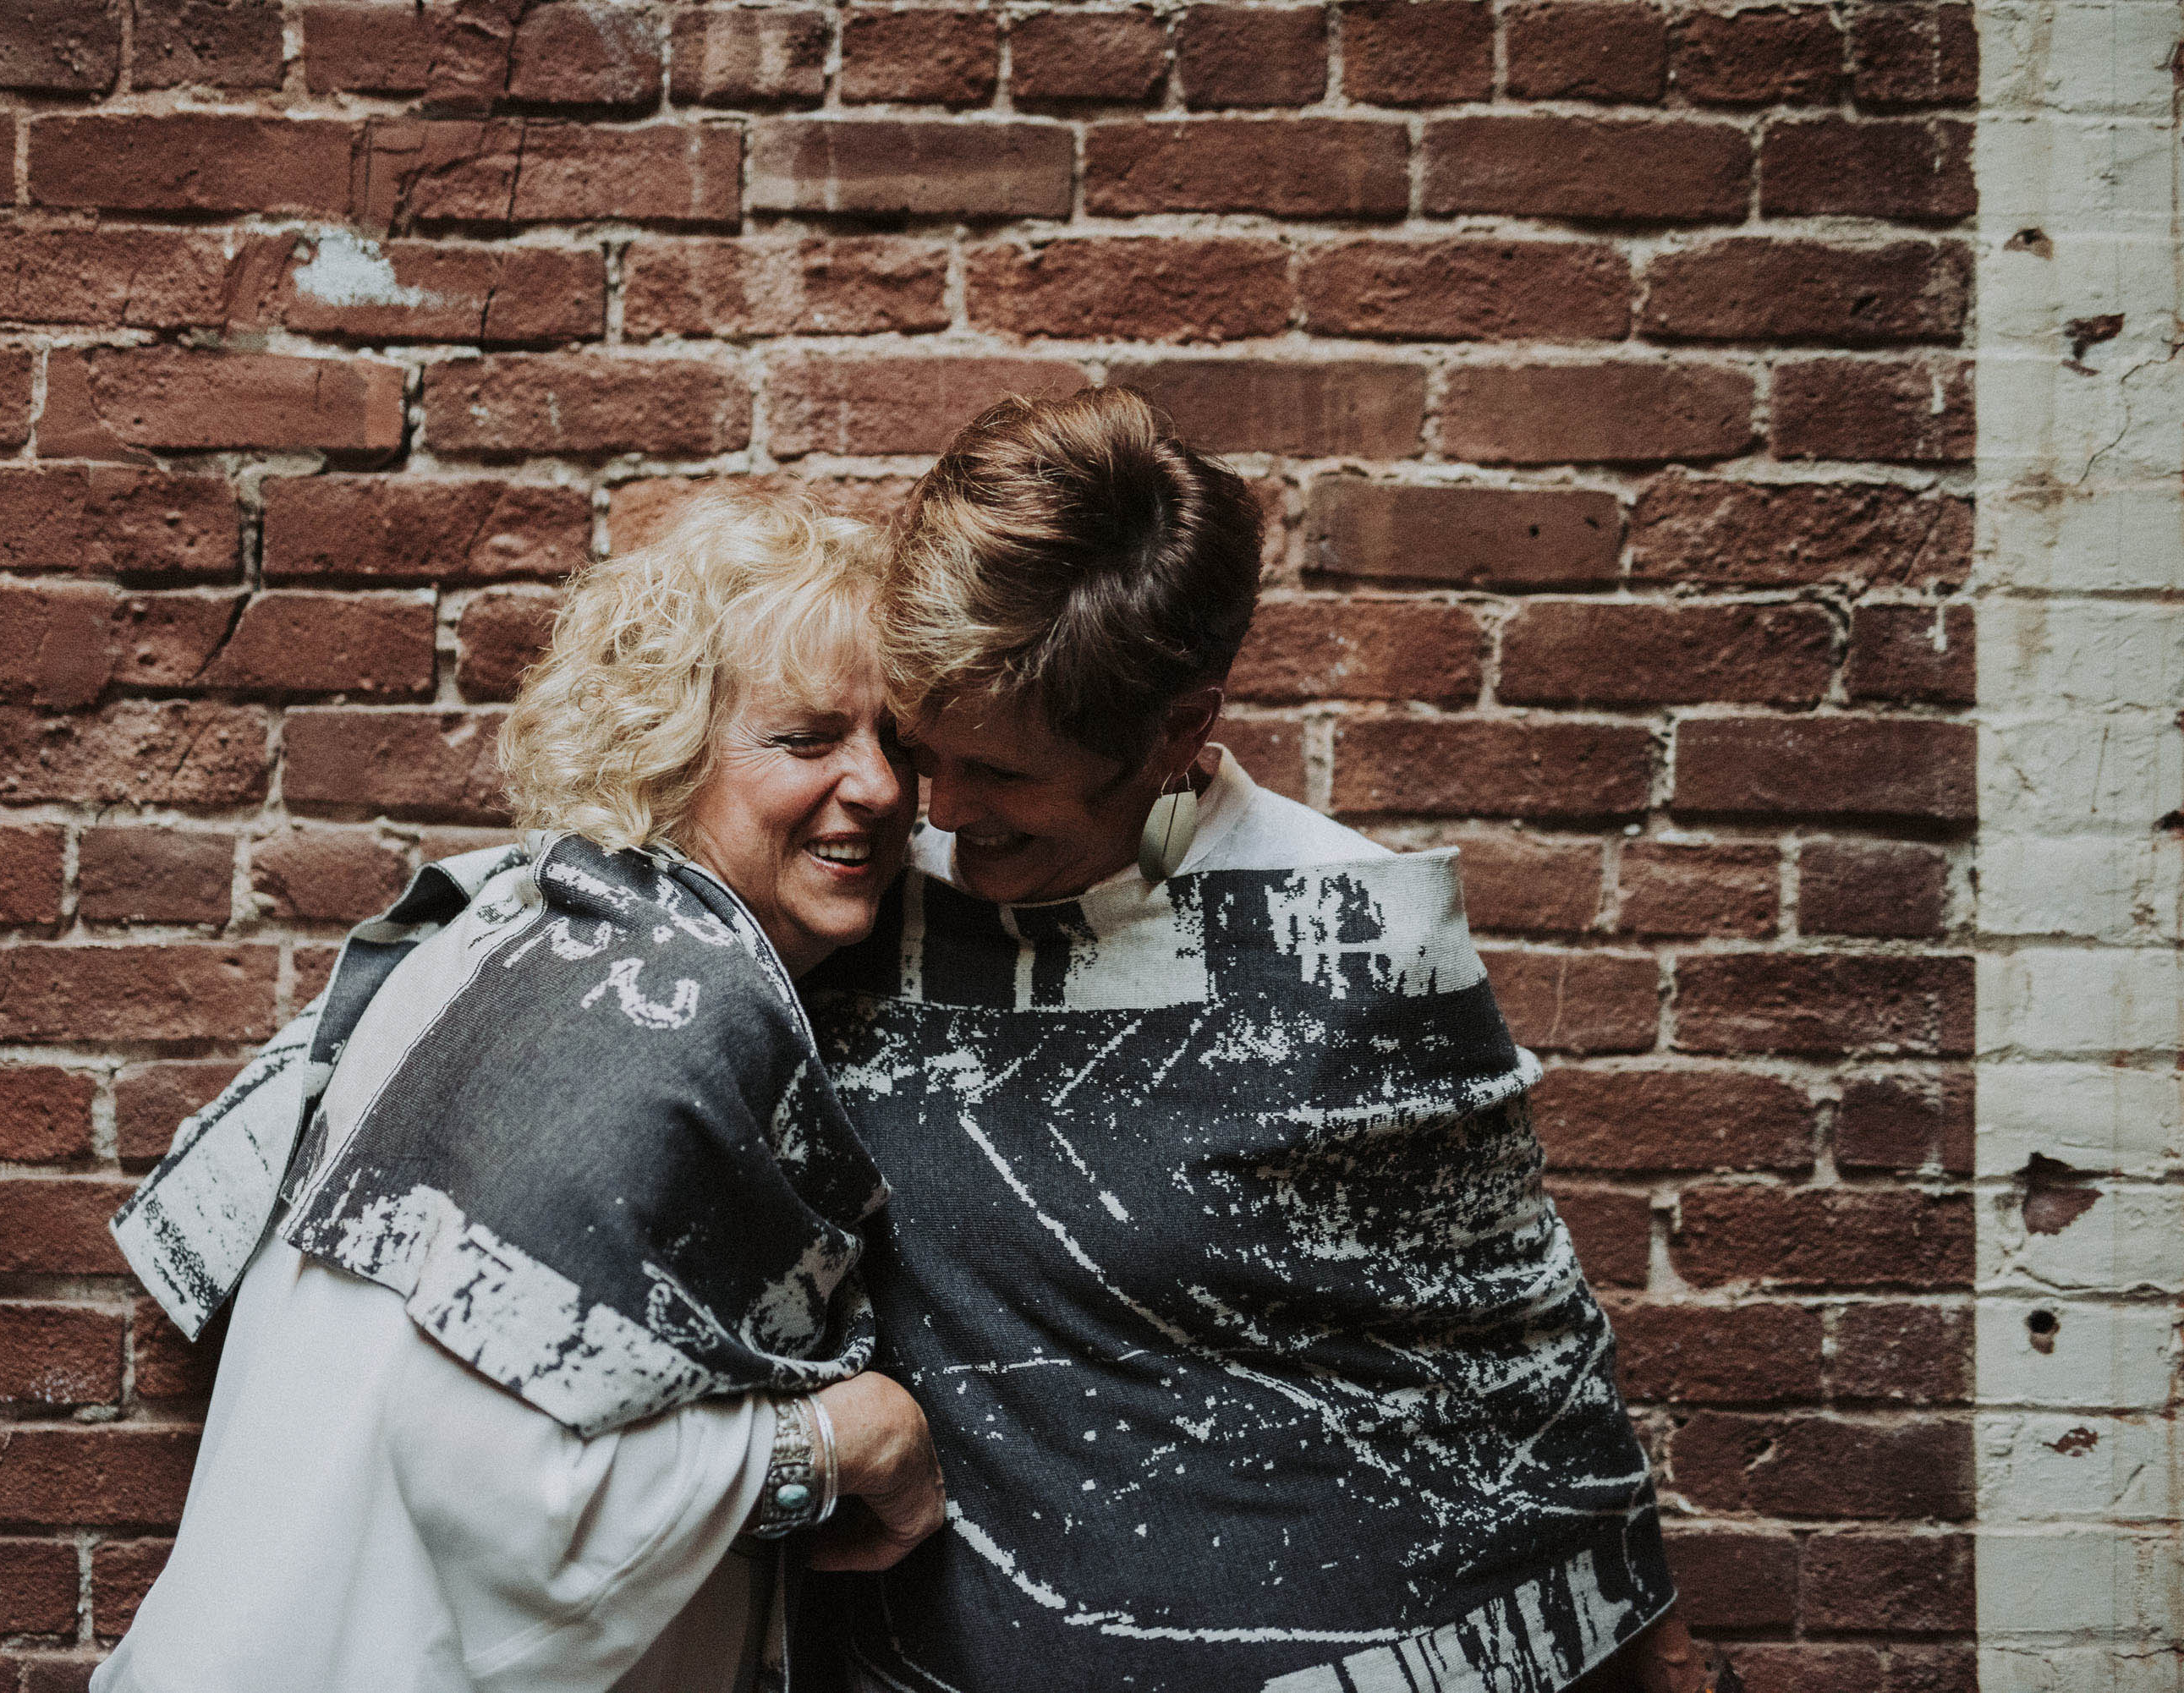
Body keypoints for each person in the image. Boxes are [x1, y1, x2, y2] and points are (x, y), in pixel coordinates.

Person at [800, 389, 1697, 1693]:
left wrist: (1650, 1646)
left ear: (1178, 729)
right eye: (921, 742)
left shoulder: (1349, 941)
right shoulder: (850, 885)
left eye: (1001, 773)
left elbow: (1525, 1362)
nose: (937, 806)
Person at [96, 490, 943, 1693]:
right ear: (672, 745)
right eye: (807, 739)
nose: (879, 787)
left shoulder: (514, 924)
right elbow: (496, 1487)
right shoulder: (670, 1003)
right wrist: (852, 1440)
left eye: (898, 740)